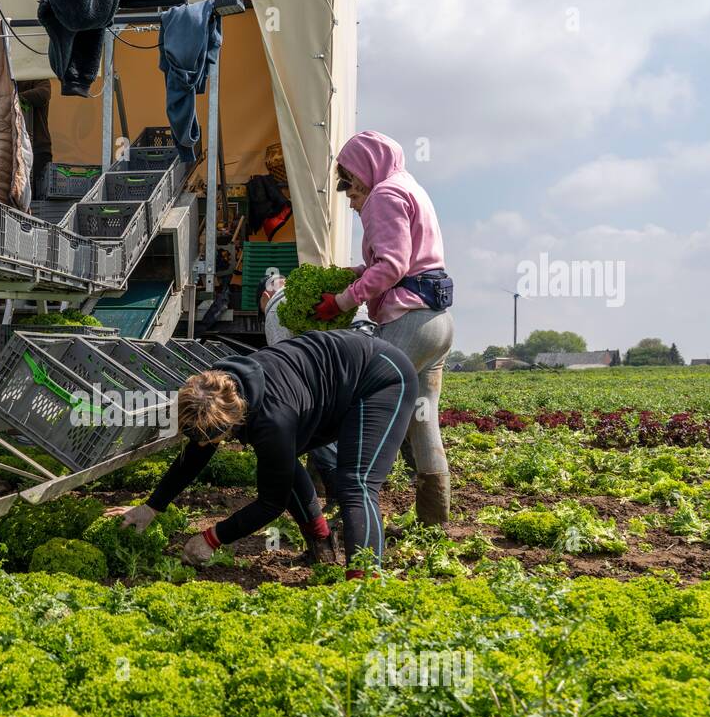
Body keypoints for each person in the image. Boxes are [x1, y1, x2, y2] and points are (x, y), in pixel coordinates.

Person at [110, 330, 417, 576]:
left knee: (355, 483)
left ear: (232, 423)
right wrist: (152, 506)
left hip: (381, 378)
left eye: (211, 439)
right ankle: (321, 544)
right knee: (280, 462)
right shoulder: (218, 386)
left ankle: (365, 587)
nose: (203, 446)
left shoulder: (273, 421)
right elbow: (199, 448)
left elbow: (272, 502)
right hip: (334, 385)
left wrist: (213, 537)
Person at [313, 131, 455, 526]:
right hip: (437, 322)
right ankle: (434, 523)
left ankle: (348, 510)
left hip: (407, 321)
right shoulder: (410, 187)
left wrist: (341, 301)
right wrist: (357, 273)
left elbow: (392, 267)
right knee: (422, 420)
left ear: (365, 168)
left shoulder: (383, 196)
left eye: (350, 178)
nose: (351, 188)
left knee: (357, 408)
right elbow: (406, 262)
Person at [259, 271, 339, 509]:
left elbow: (285, 366)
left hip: (330, 373)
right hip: (363, 354)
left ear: (265, 296)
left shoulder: (275, 307)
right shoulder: (306, 293)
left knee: (314, 417)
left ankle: (338, 498)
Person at [17, 79, 54, 199]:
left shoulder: (39, 76)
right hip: (14, 147)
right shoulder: (7, 78)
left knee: (38, 196)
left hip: (38, 147)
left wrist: (16, 98)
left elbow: (43, 94)